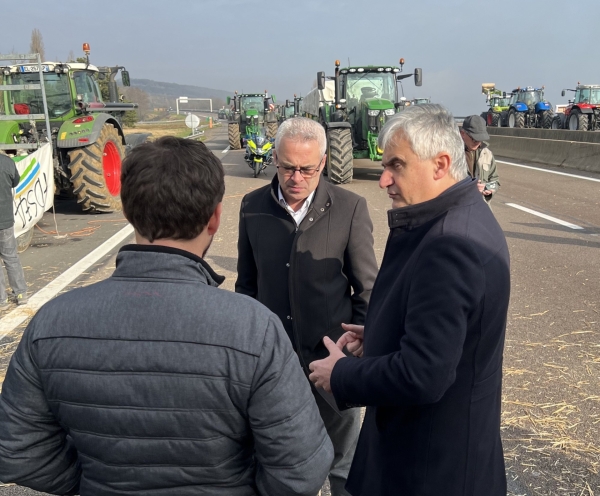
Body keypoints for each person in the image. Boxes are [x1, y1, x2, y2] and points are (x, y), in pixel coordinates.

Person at [0, 137, 333, 496]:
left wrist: (90, 482)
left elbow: (18, 450)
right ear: (215, 218)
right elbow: (301, 469)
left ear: (128, 211)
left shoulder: (51, 324)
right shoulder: (255, 329)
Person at [309, 105, 511, 496]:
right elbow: (450, 334)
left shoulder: (449, 245)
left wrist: (341, 375)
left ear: (441, 164)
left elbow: (424, 373)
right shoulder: (466, 215)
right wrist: (382, 335)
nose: (384, 179)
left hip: (428, 470)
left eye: (396, 165)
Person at [236, 117, 378, 496]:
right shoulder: (252, 207)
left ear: (325, 161)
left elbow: (366, 289)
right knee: (279, 462)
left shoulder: (349, 208)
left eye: (307, 169)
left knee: (344, 462)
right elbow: (247, 287)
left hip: (333, 360)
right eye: (287, 167)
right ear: (275, 161)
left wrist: (353, 357)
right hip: (273, 365)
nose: (296, 177)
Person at [0, 153, 28, 308]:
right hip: (5, 218)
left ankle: (1, 300)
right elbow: (15, 182)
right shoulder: (6, 162)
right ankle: (21, 294)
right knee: (11, 257)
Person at [460, 114, 500, 203]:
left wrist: (488, 189)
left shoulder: (487, 154)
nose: (477, 142)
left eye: (480, 139)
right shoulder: (451, 155)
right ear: (463, 134)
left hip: (480, 208)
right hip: (458, 209)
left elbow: (495, 180)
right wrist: (470, 188)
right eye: (474, 139)